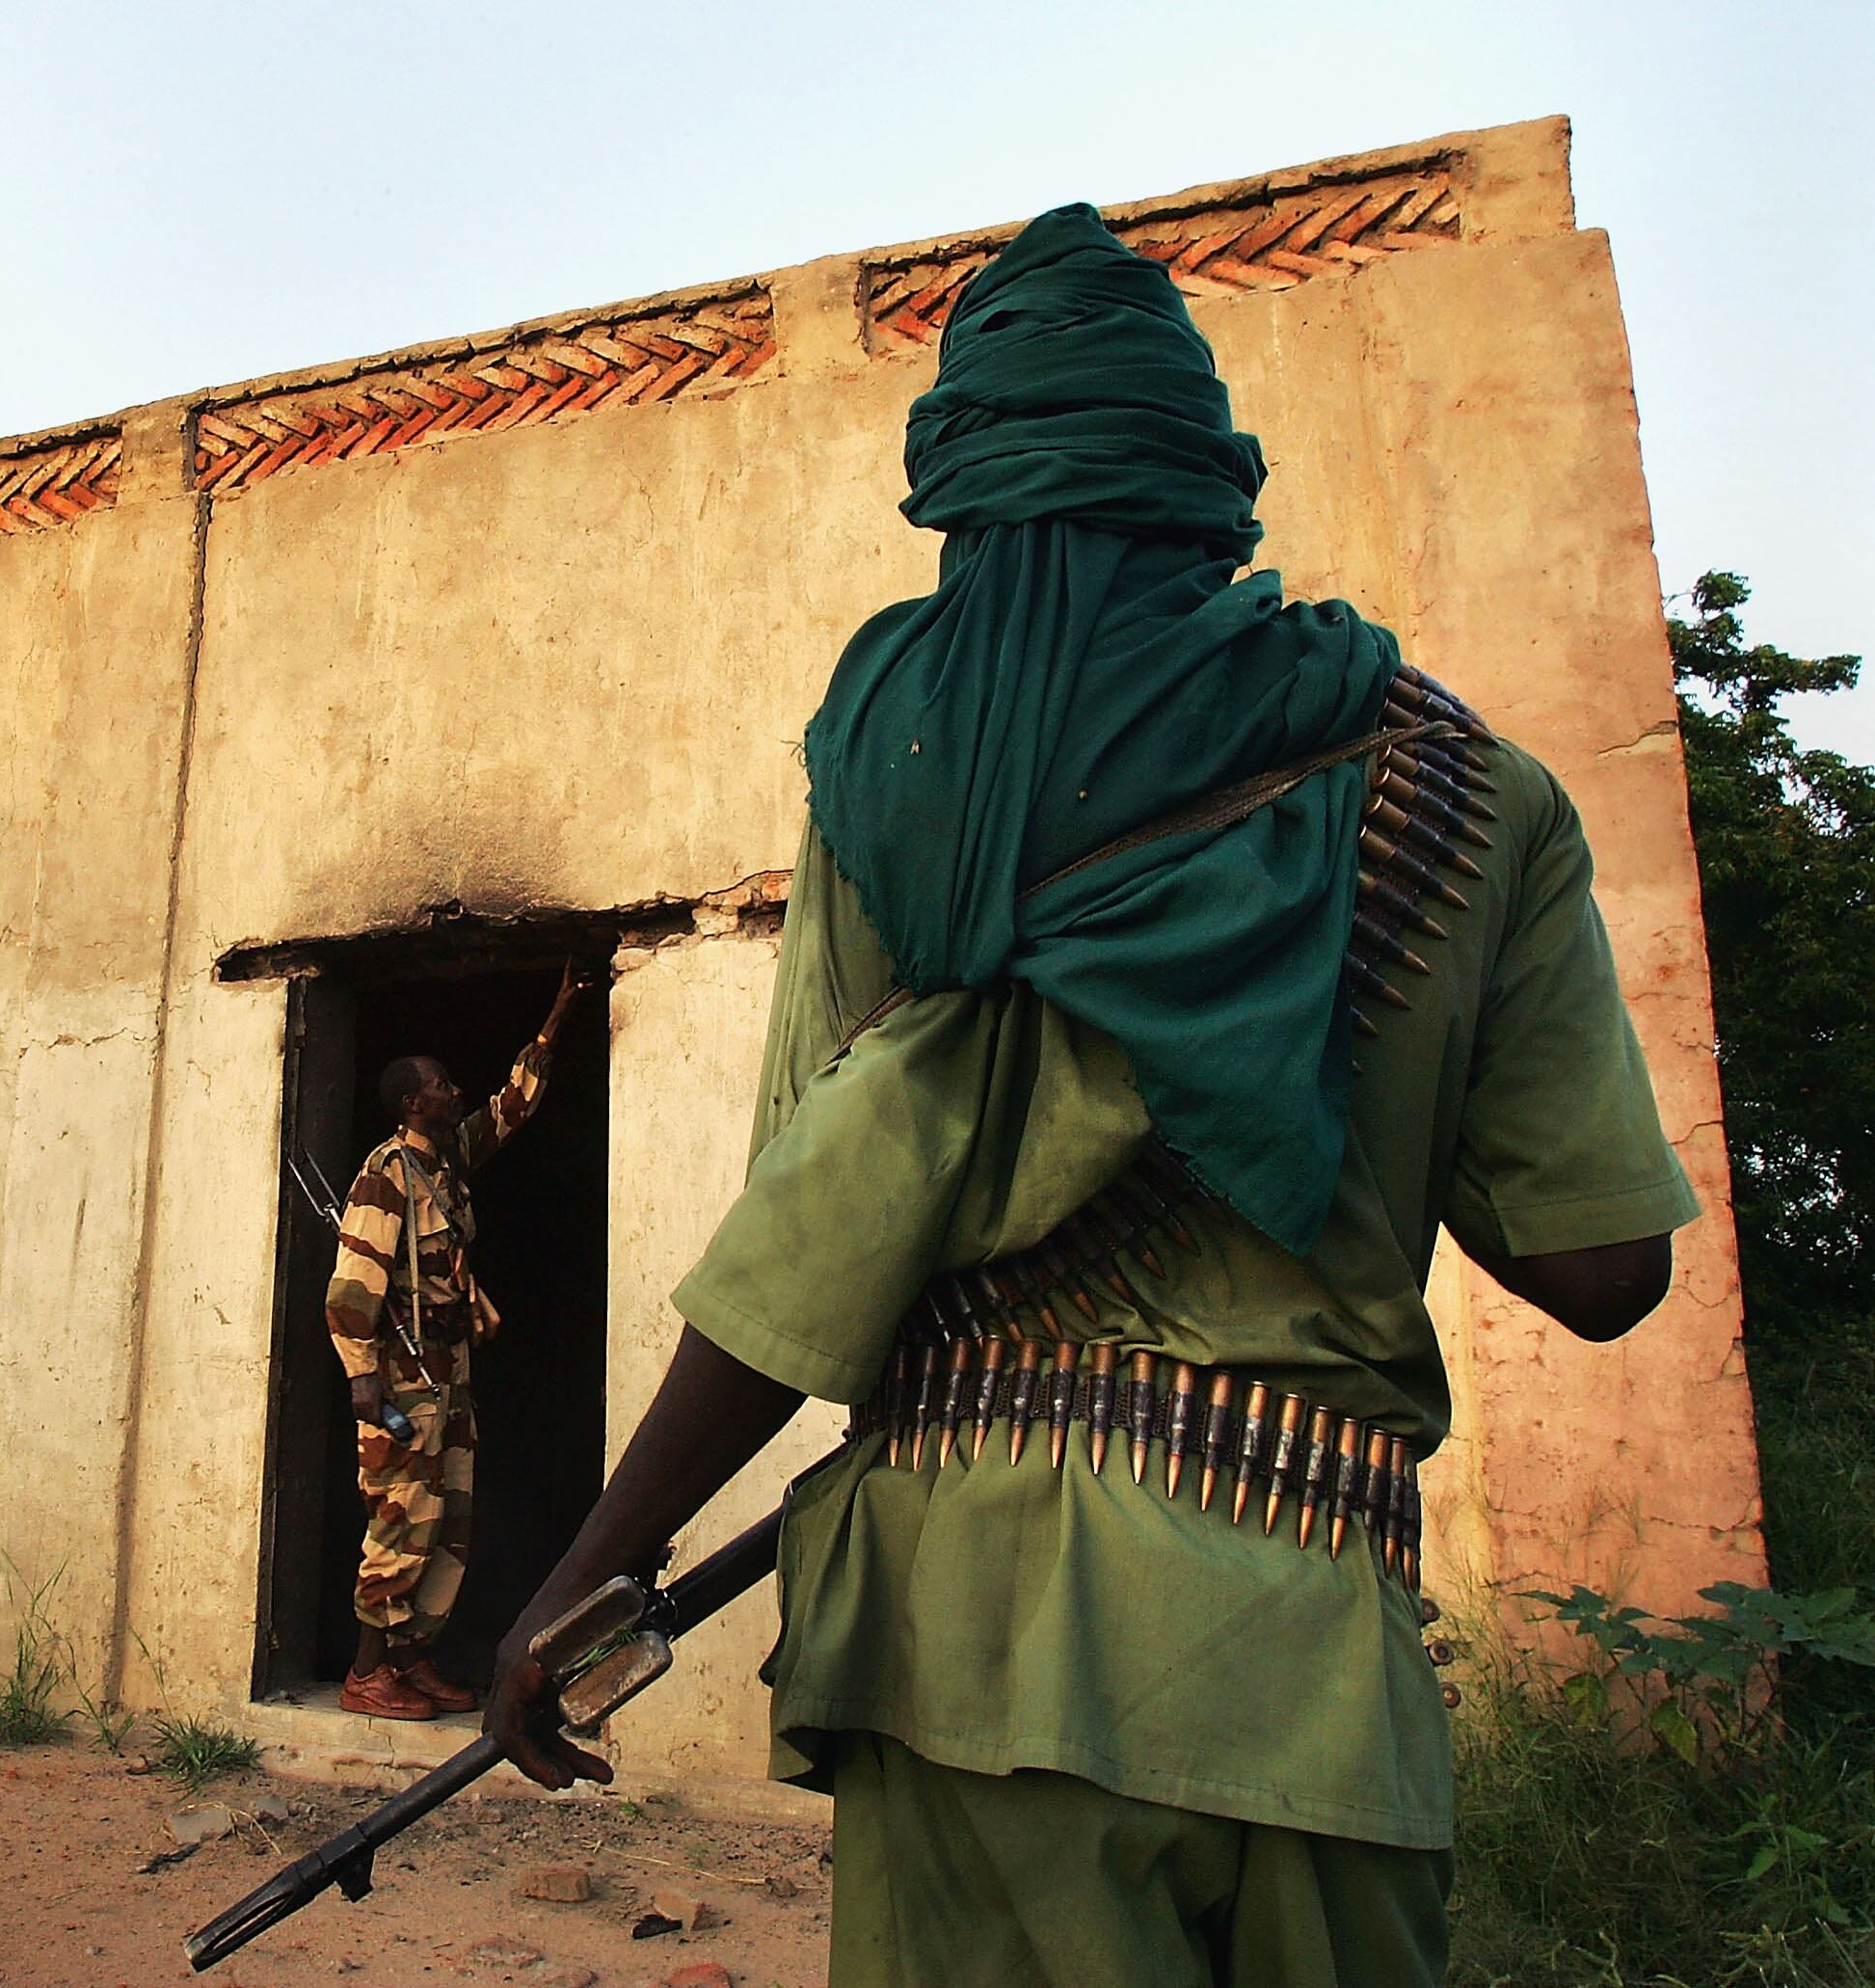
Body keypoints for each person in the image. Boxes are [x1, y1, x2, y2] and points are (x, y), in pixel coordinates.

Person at [480, 206, 1699, 1987]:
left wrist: (591, 1562)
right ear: (1202, 483)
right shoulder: (1474, 795)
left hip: (970, 1643)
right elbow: (1606, 1271)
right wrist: (1329, 1077)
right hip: (1317, 1661)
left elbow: (819, 1219)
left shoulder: (897, 770)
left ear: (968, 493)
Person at [325, 964, 584, 1719]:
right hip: (402, 1375)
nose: (454, 1091)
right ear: (412, 1101)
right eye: (440, 1086)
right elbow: (351, 1286)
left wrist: (555, 1020)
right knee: (401, 1516)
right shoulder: (388, 1174)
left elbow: (511, 1109)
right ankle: (367, 1675)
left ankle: (411, 1663)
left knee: (449, 1526)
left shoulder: (446, 1164)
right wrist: (361, 1376)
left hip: (449, 1371)